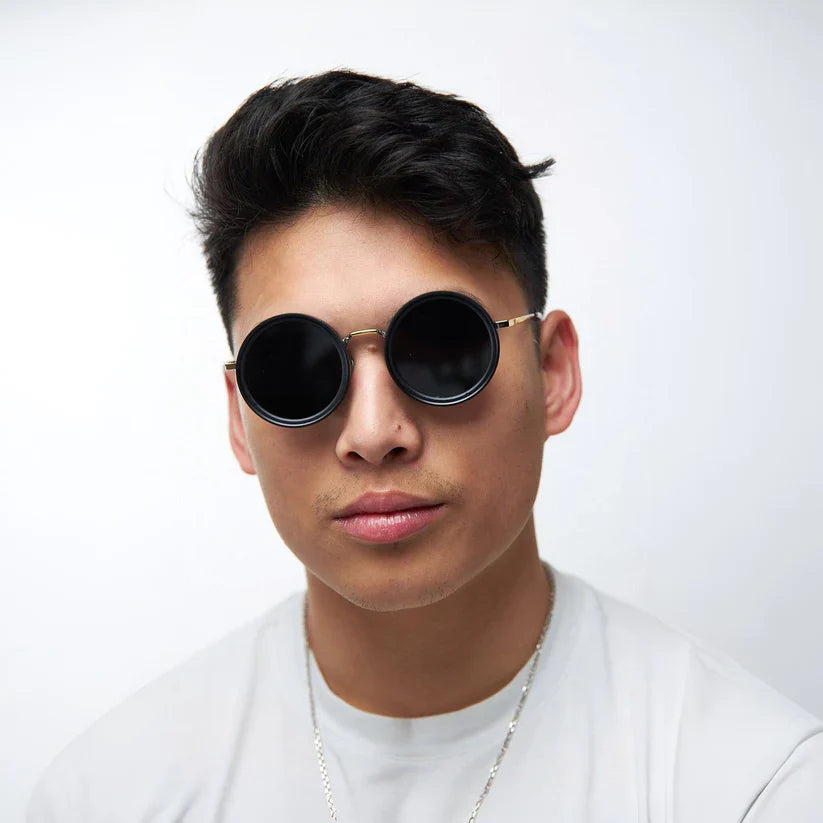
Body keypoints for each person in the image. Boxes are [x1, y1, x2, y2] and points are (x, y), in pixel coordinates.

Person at [28, 69, 822, 822]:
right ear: (240, 417)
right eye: (296, 369)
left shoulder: (750, 785)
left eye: (442, 347)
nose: (374, 433)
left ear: (551, 372)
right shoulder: (108, 796)